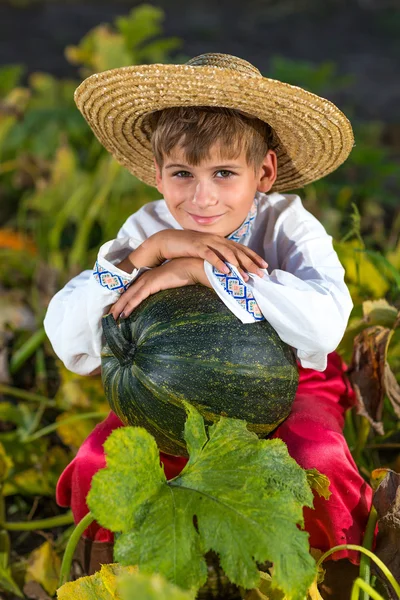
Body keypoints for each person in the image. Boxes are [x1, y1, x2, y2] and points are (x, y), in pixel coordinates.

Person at [44, 53, 372, 594]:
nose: (201, 198)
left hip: (292, 380)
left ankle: (337, 574)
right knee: (97, 461)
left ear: (263, 172)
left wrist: (201, 269)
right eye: (182, 174)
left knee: (318, 457)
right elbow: (67, 336)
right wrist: (145, 255)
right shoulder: (148, 227)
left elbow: (322, 328)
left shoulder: (289, 225)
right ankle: (105, 578)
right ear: (157, 174)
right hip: (168, 385)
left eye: (224, 173)